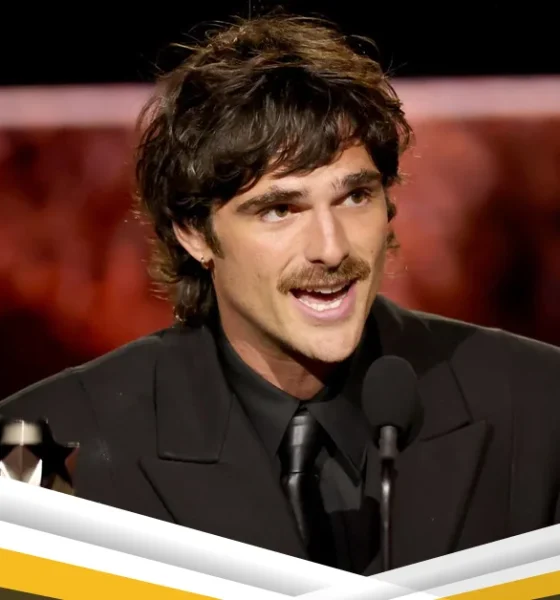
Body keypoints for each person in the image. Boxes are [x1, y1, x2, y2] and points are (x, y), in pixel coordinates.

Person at [1, 15, 560, 576]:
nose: (331, 248)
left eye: (355, 197)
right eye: (280, 209)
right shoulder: (42, 441)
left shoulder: (540, 403)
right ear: (195, 233)